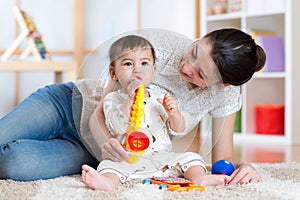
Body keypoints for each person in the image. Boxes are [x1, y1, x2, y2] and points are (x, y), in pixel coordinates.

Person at [0, 28, 265, 184]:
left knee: (11, 164)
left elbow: (222, 158)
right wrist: (104, 139)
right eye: (194, 52)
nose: (186, 67)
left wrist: (241, 169)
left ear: (222, 85)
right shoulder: (158, 47)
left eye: (200, 74)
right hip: (69, 104)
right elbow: (101, 107)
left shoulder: (225, 96)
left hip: (93, 152)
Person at [81, 35, 231, 191]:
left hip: (161, 157)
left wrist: (174, 115)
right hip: (128, 158)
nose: (137, 69)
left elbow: (177, 129)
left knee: (192, 158)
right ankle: (108, 184)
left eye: (144, 63)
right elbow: (117, 127)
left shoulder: (160, 98)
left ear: (153, 72)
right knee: (107, 166)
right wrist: (128, 102)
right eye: (128, 64)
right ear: (113, 73)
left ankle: (200, 178)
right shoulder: (113, 99)